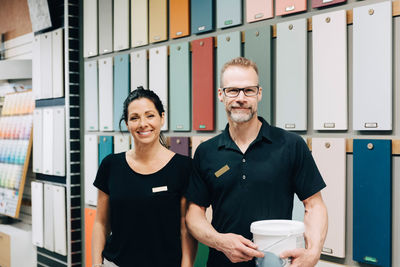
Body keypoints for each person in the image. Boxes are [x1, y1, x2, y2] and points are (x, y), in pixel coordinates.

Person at [185, 57, 328, 267]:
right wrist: (221, 242)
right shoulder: (206, 152)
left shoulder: (290, 145)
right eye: (233, 90)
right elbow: (193, 214)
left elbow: (314, 205)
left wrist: (313, 253)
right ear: (221, 95)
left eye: (248, 90)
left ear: (259, 94)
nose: (241, 98)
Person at [91, 87, 197, 267]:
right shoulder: (111, 165)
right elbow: (101, 223)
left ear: (162, 118)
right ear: (127, 123)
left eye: (150, 115)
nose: (143, 124)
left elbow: (185, 228)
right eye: (134, 118)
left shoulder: (183, 167)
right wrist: (95, 265)